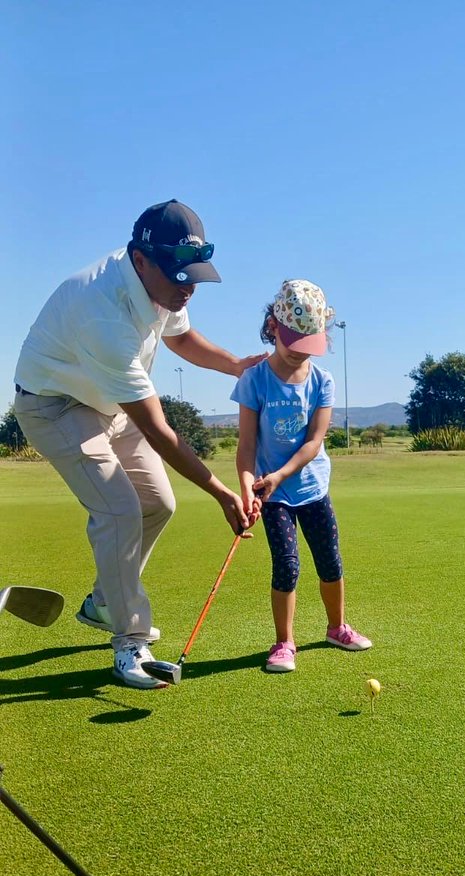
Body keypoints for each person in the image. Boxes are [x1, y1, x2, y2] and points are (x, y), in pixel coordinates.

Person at [13, 199, 266, 689]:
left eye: (193, 275)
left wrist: (235, 365)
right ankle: (129, 642)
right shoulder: (101, 312)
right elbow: (159, 431)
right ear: (140, 259)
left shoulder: (162, 286)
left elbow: (182, 340)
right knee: (119, 510)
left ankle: (104, 602)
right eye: (178, 276)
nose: (187, 287)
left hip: (105, 402)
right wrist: (220, 492)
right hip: (55, 406)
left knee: (158, 502)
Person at [234, 278, 371, 673]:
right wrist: (249, 486)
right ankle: (284, 642)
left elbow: (313, 443)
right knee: (287, 565)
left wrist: (279, 473)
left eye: (309, 345)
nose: (300, 355)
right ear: (274, 327)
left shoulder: (322, 381)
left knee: (329, 559)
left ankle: (337, 627)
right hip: (272, 496)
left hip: (311, 487)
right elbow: (245, 447)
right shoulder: (254, 380)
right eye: (295, 344)